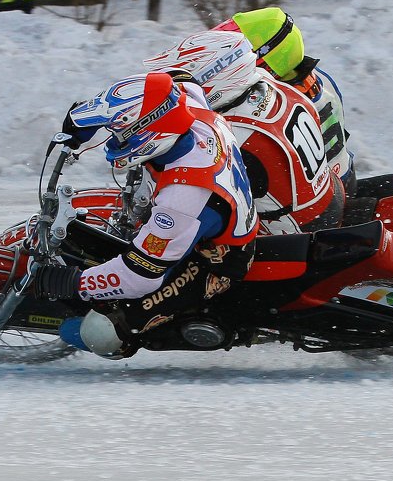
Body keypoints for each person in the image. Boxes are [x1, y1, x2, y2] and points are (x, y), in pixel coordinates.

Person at [35, 72, 258, 359]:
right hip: (213, 213)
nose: (114, 140)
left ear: (149, 133)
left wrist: (74, 283)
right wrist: (84, 120)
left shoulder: (183, 198)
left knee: (99, 333)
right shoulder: (191, 108)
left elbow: (139, 277)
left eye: (120, 133)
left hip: (215, 260)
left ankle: (139, 336)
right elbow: (174, 82)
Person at [143, 31, 345, 234]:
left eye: (185, 81)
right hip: (328, 197)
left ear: (213, 78)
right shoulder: (270, 84)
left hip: (292, 230)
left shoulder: (231, 133)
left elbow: (194, 183)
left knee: (188, 215)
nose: (181, 90)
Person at [212, 7, 353, 193]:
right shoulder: (321, 78)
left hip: (322, 194)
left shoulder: (278, 101)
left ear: (268, 57)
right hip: (344, 173)